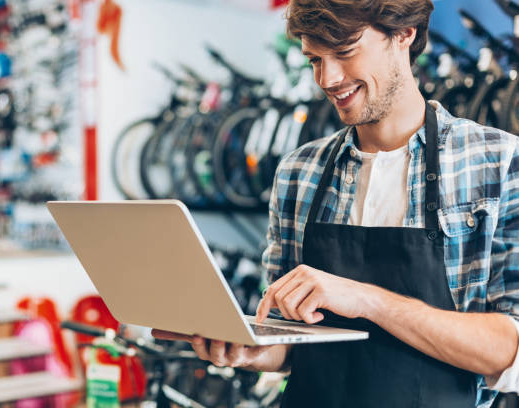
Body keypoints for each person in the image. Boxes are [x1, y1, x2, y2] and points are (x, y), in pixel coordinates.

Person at [154, 0, 519, 406]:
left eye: (344, 52)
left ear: (404, 34)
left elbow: (508, 351)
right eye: (314, 59)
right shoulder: (298, 172)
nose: (328, 78)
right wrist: (254, 350)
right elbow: (287, 337)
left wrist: (366, 300)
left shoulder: (497, 163)